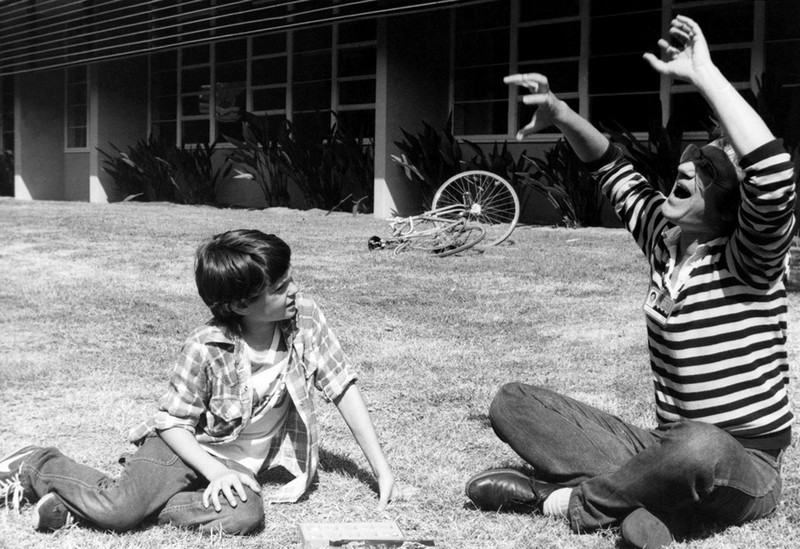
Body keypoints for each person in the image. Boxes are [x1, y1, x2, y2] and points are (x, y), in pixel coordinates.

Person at [465, 15, 795, 549]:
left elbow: (774, 176)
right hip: (660, 445)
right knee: (512, 402)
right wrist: (560, 112)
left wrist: (705, 74)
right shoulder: (664, 240)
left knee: (700, 447)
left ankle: (570, 502)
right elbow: (611, 167)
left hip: (744, 465)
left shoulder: (748, 261)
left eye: (707, 172)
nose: (686, 169)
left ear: (731, 209)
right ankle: (652, 502)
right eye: (690, 161)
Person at [0, 229, 399, 535]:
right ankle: (39, 464)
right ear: (240, 304)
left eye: (291, 280)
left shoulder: (306, 319)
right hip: (183, 447)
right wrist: (215, 472)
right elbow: (172, 423)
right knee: (120, 511)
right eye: (279, 288)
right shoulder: (206, 345)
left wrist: (380, 470)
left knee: (245, 514)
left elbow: (342, 385)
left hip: (235, 462)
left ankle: (79, 506)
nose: (294, 291)